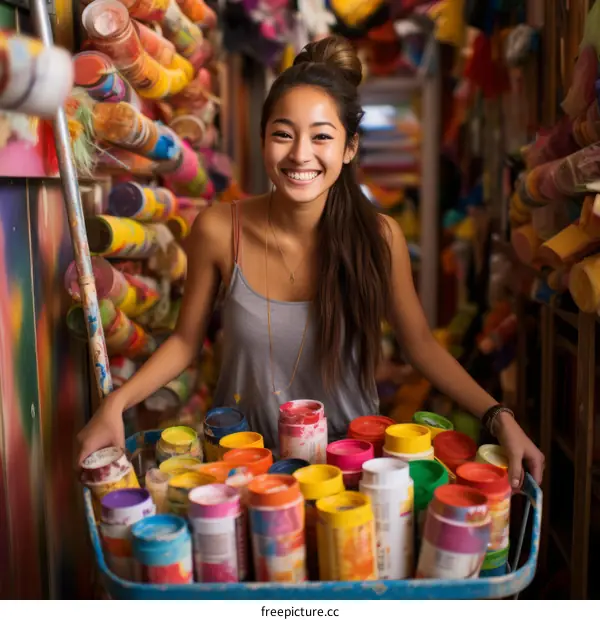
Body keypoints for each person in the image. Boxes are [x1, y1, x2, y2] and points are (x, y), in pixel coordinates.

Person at [76, 35, 544, 490]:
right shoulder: (220, 230)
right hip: (241, 471)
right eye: (283, 134)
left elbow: (420, 346)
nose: (300, 154)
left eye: (321, 136)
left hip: (349, 479)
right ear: (264, 140)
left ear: (349, 148)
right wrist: (114, 405)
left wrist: (499, 418)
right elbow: (184, 342)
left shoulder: (379, 238)